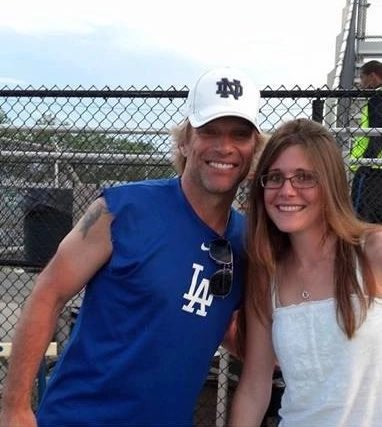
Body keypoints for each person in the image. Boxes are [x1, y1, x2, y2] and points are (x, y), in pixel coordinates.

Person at [0, 67, 263, 427]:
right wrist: (15, 407)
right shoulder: (122, 210)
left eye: (239, 135)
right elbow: (48, 292)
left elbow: (221, 326)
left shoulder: (247, 242)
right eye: (210, 131)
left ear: (253, 149)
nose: (225, 147)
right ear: (186, 140)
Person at [229, 118, 382, 426]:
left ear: (330, 184)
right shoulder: (267, 273)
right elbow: (255, 386)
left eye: (304, 177)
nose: (287, 190)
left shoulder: (372, 252)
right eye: (275, 177)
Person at [351, 60, 382, 223]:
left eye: (363, 78)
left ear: (373, 76)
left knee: (361, 219)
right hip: (376, 166)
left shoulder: (377, 98)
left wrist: (365, 164)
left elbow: (377, 134)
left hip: (373, 170)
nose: (361, 84)